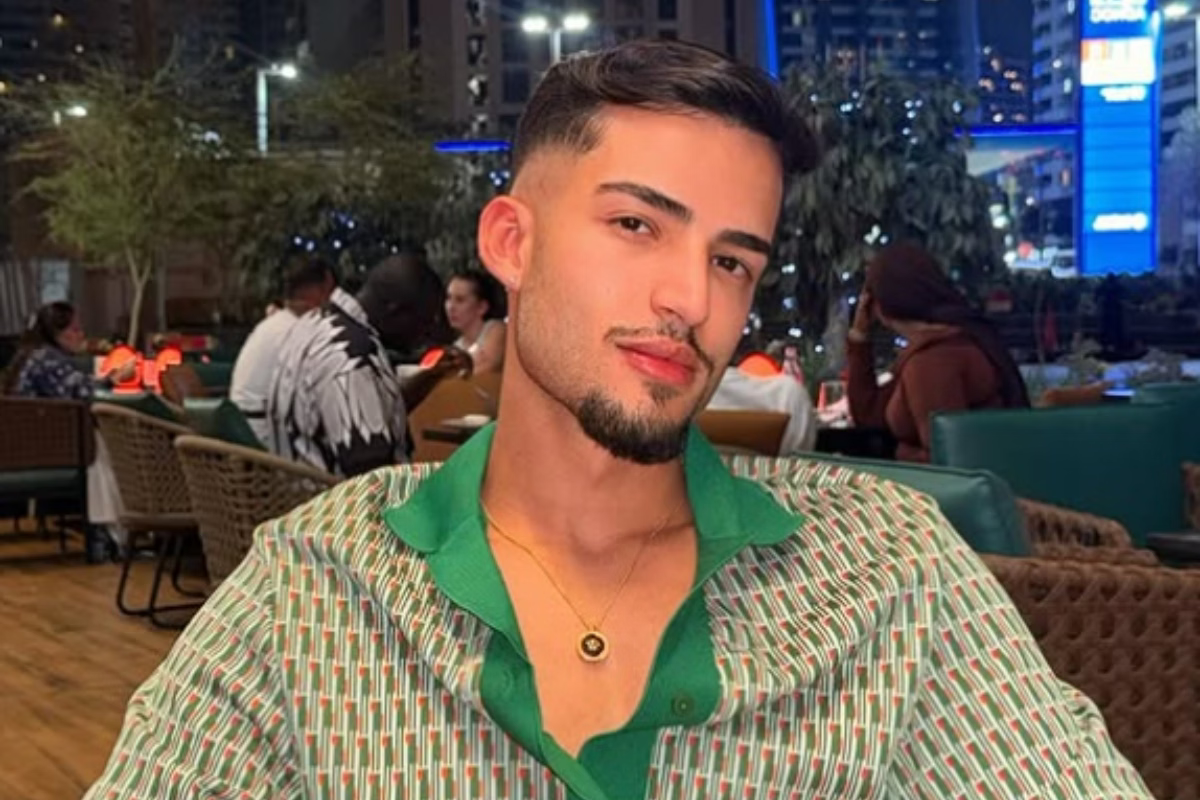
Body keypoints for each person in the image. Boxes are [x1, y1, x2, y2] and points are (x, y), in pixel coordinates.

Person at [87, 41, 1150, 799]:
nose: (691, 297)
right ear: (511, 242)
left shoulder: (890, 572)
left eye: (731, 260)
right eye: (637, 224)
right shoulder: (311, 587)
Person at [266, 253, 471, 477]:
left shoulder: (315, 325)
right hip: (340, 496)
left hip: (296, 490)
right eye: (424, 321)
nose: (424, 335)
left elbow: (371, 413)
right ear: (396, 310)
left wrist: (431, 376)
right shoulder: (352, 356)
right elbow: (371, 473)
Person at [847, 242, 1030, 462]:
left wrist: (897, 452)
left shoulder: (932, 361)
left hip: (969, 482)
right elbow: (869, 415)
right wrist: (859, 337)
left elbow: (947, 462)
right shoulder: (954, 337)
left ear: (879, 302)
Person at [3, 302, 136, 553]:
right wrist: (115, 379)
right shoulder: (47, 360)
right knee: (101, 449)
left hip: (23, 445)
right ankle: (112, 533)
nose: (81, 335)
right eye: (75, 329)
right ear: (57, 333)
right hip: (44, 447)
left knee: (98, 444)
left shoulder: (32, 354)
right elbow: (81, 392)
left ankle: (112, 532)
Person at [230, 257, 336, 445]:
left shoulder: (272, 325)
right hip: (266, 442)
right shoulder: (300, 331)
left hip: (243, 433)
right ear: (324, 286)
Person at [445, 269, 507, 374]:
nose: (450, 307)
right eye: (448, 298)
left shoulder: (497, 330)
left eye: (460, 300)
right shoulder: (455, 348)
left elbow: (487, 368)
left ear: (482, 307)